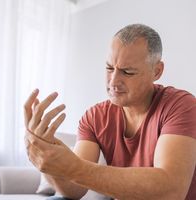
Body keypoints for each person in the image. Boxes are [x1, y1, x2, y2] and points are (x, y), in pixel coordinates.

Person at [24, 24, 196, 200]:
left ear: (156, 71)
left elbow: (171, 191)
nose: (113, 81)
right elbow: (74, 190)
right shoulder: (94, 117)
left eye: (127, 72)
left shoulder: (181, 106)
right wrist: (47, 158)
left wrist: (75, 167)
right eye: (109, 68)